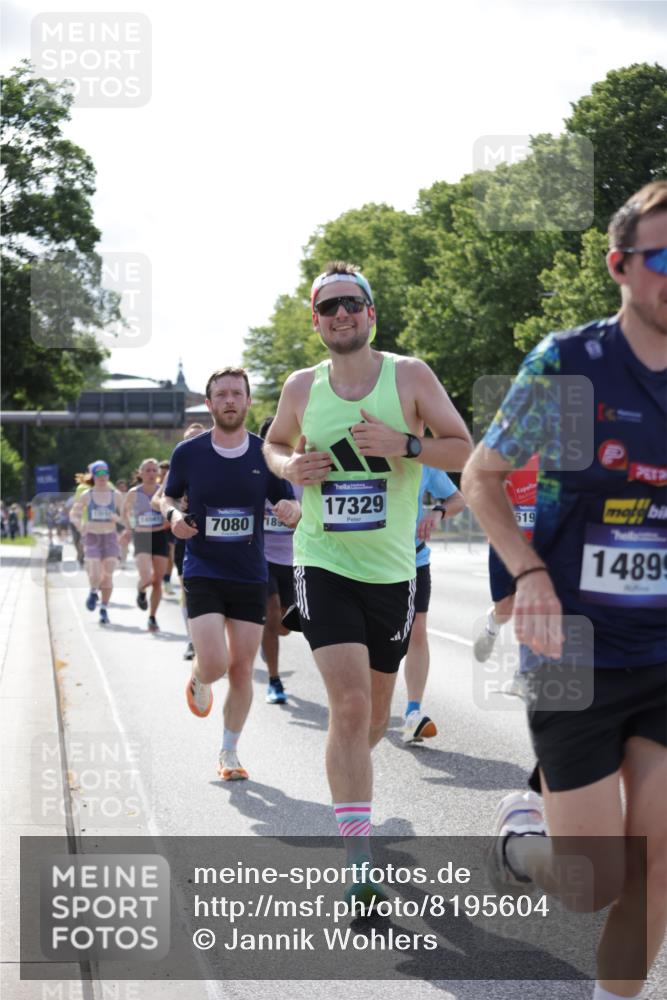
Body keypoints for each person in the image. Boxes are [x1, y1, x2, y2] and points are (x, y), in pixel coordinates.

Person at [461, 181, 667, 1000]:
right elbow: (482, 476)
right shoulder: (570, 366)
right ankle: (521, 838)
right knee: (593, 885)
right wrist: (531, 575)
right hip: (570, 651)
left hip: (663, 650)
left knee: (657, 865)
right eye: (663, 257)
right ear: (620, 267)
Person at [263, 261, 472, 899]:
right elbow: (270, 445)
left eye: (352, 303)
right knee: (349, 706)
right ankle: (359, 863)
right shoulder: (302, 387)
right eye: (330, 308)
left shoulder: (409, 376)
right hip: (321, 560)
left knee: (375, 717)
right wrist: (290, 465)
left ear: (371, 312)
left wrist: (406, 446)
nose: (342, 314)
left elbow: (464, 450)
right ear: (318, 321)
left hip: (391, 570)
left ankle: (352, 779)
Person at [160, 368, 299, 781]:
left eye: (237, 393)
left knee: (241, 669)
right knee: (217, 664)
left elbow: (286, 502)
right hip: (203, 567)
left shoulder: (265, 453)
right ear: (209, 403)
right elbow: (168, 495)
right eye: (220, 394)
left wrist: (292, 510)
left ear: (249, 400)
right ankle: (199, 676)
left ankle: (229, 752)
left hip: (249, 573)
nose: (229, 400)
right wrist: (173, 516)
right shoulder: (190, 453)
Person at [403, 466, 465, 742]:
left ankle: (412, 713)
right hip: (367, 562)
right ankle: (363, 706)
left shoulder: (422, 457)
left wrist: (437, 511)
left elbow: (458, 498)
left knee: (417, 631)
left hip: (413, 559)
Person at [473, 454, 539, 663]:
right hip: (505, 542)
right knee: (504, 609)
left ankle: (526, 670)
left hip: (540, 545)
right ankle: (492, 629)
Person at [257, 415, 304, 705]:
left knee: (283, 626)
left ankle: (266, 635)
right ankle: (274, 681)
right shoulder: (256, 479)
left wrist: (298, 516)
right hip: (261, 558)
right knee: (272, 614)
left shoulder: (303, 477)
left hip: (296, 560)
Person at [152, 423, 208, 660]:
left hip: (214, 538)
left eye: (198, 438)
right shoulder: (178, 467)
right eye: (188, 440)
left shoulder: (219, 463)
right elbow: (157, 500)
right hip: (185, 537)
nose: (192, 444)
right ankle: (192, 641)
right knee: (189, 590)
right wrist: (176, 508)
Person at [69, 461, 125, 625]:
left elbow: (129, 517)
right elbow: (74, 514)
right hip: (92, 537)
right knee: (94, 573)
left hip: (110, 538)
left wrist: (118, 519)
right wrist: (80, 527)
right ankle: (93, 591)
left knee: (107, 576)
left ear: (108, 475)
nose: (102, 476)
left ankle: (104, 609)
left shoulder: (116, 495)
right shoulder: (87, 495)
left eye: (105, 473)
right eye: (98, 473)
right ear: (93, 476)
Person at [124, 458, 170, 632]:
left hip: (160, 537)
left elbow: (170, 516)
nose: (151, 474)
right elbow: (125, 513)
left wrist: (161, 524)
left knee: (157, 581)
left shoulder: (163, 493)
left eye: (154, 470)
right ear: (140, 473)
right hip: (142, 537)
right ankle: (141, 590)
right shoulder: (134, 493)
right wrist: (130, 528)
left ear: (158, 474)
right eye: (147, 470)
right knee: (146, 579)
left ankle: (152, 617)